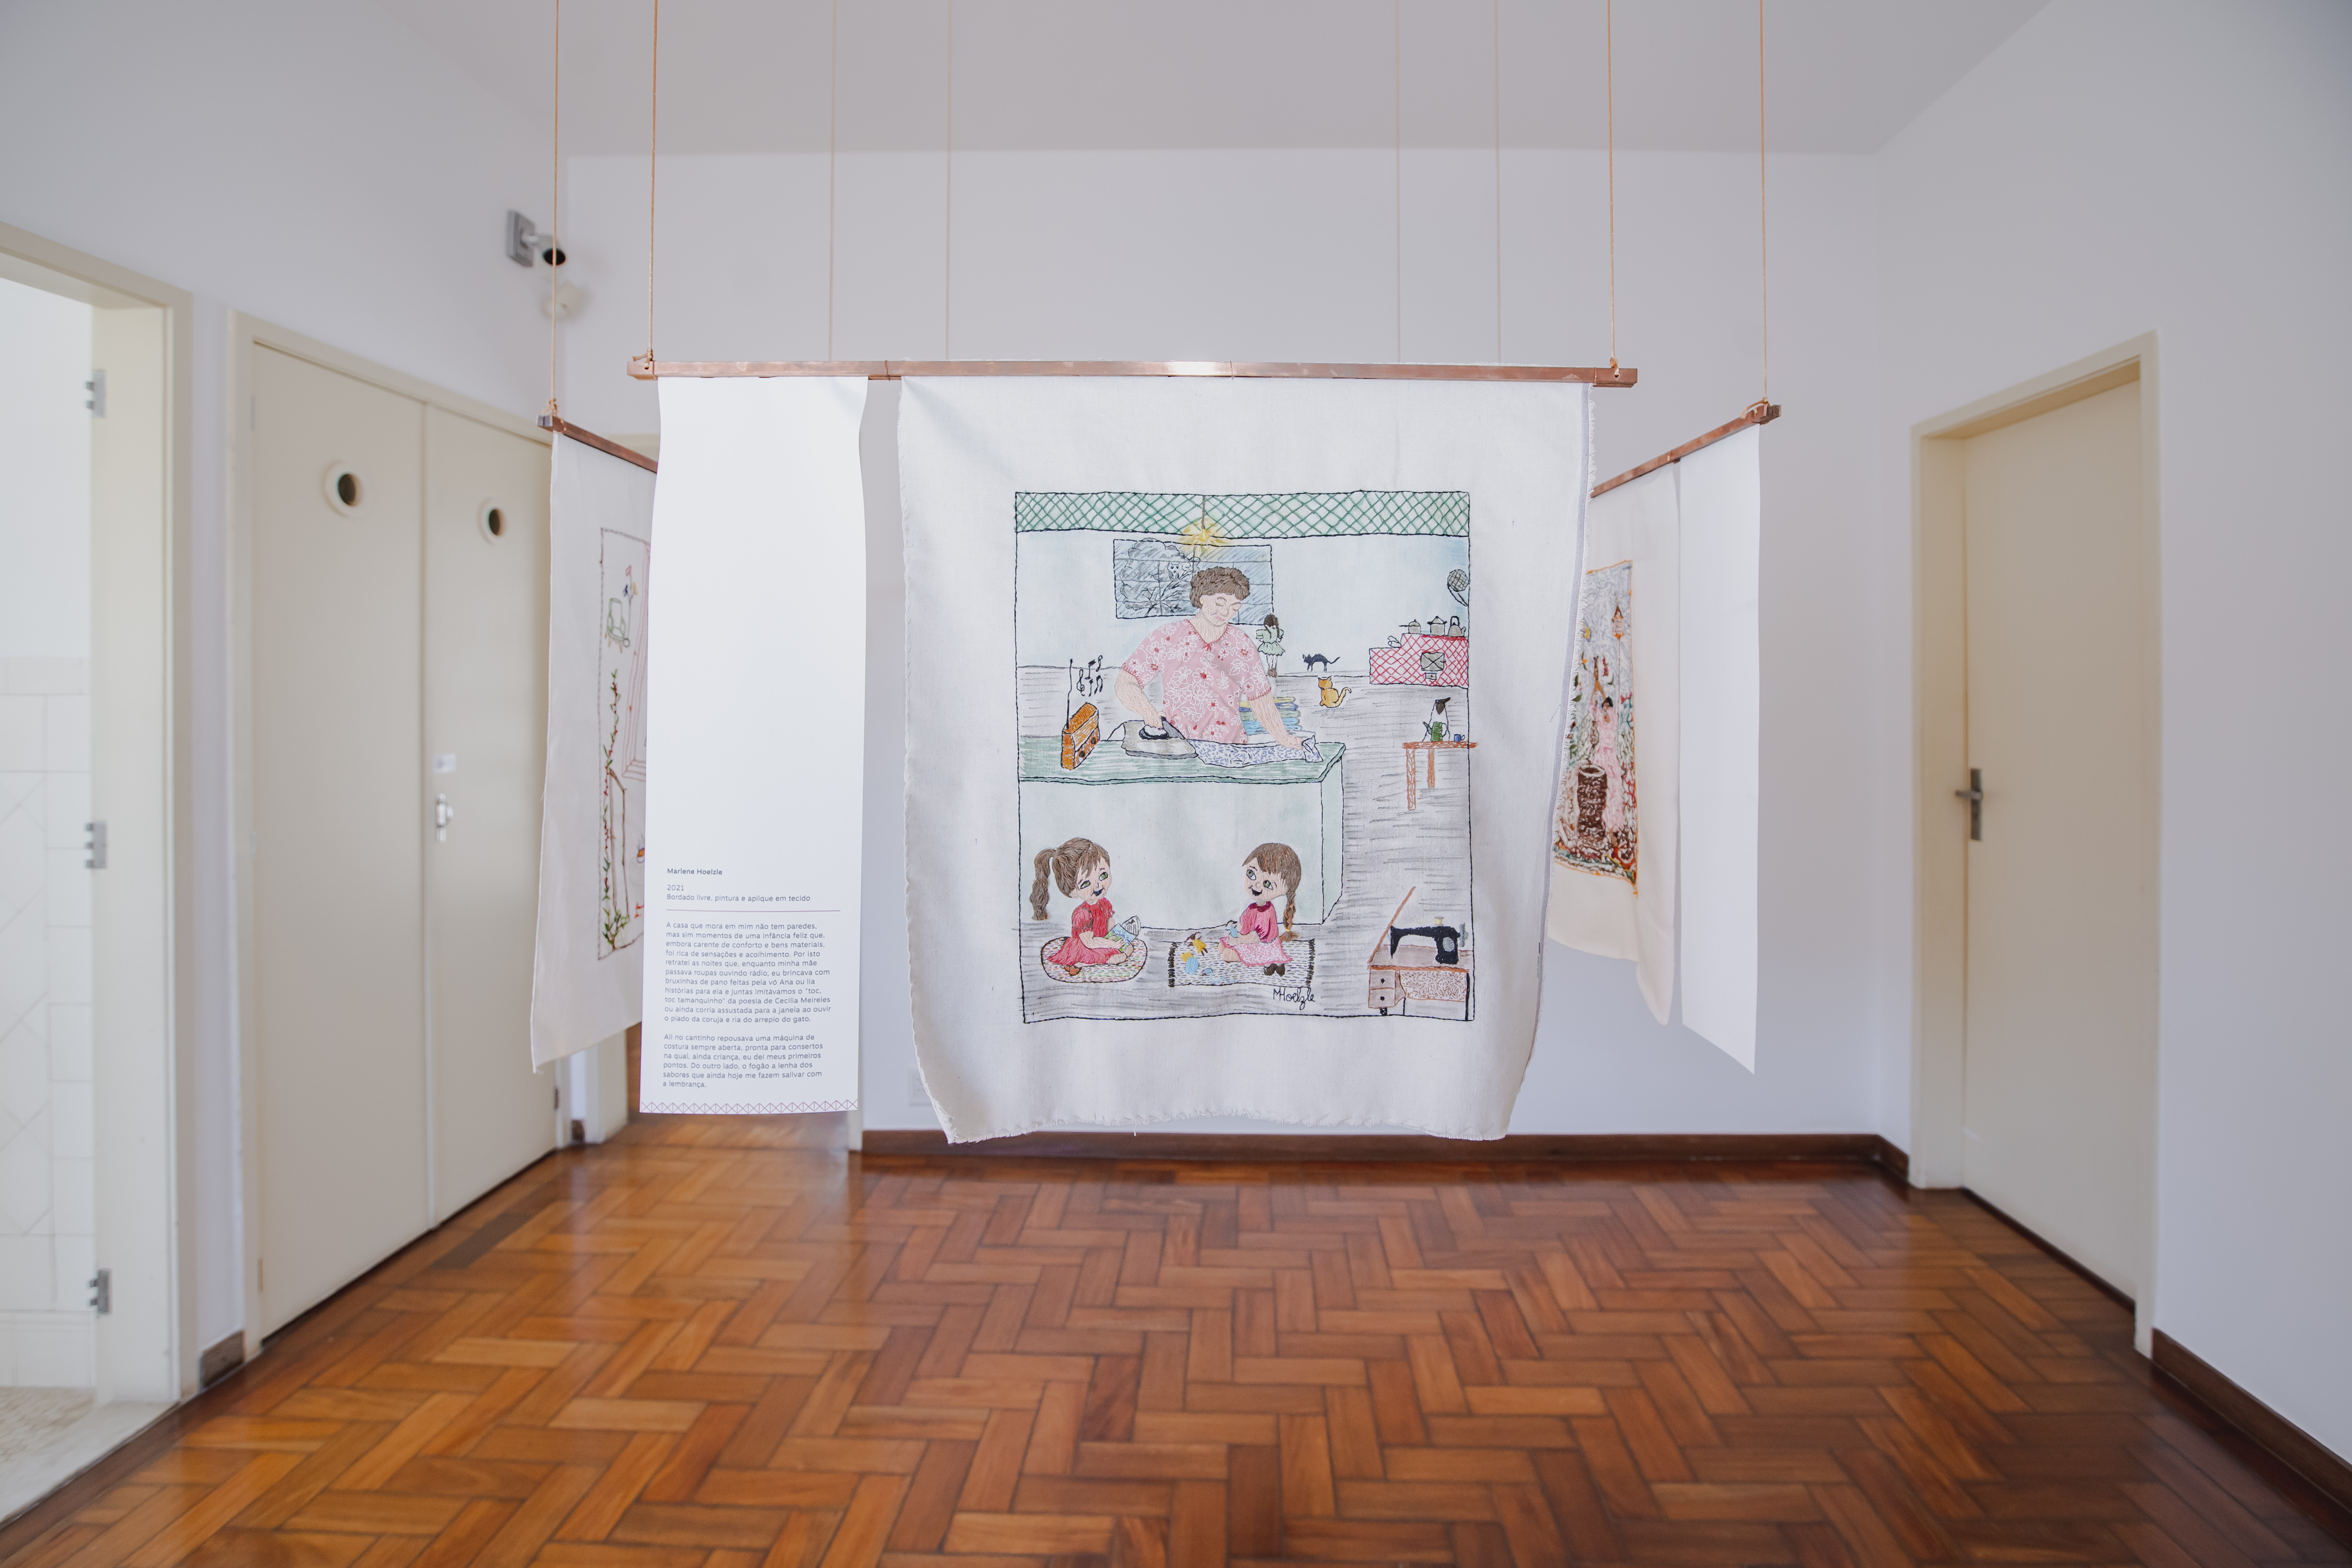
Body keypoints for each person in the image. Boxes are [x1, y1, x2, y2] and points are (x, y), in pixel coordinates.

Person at [1115, 567, 1302, 750]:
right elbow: (1125, 683)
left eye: (1235, 607)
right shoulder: (1168, 636)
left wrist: (1283, 737)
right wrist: (1147, 711)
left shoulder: (1241, 643)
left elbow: (1261, 699)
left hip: (1230, 746)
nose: (1226, 612)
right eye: (1220, 603)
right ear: (1203, 597)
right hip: (1180, 745)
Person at [1031, 837, 1124, 967]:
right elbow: (1089, 942)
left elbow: (1110, 925)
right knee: (1117, 957)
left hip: (1102, 942)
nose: (1098, 886)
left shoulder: (1105, 904)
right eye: (1086, 883)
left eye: (1103, 875)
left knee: (1127, 950)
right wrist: (1111, 944)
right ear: (1073, 892)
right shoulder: (1082, 914)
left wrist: (1115, 937)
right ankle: (1080, 964)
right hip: (1085, 947)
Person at [1218, 842, 1301, 975]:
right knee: (1221, 947)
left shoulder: (1266, 912)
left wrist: (1240, 939)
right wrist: (1236, 927)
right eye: (1251, 873)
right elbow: (1245, 923)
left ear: (1284, 890)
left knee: (1227, 955)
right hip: (1246, 938)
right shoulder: (1254, 907)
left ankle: (1269, 962)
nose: (1256, 885)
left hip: (1261, 944)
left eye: (1267, 884)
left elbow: (1258, 937)